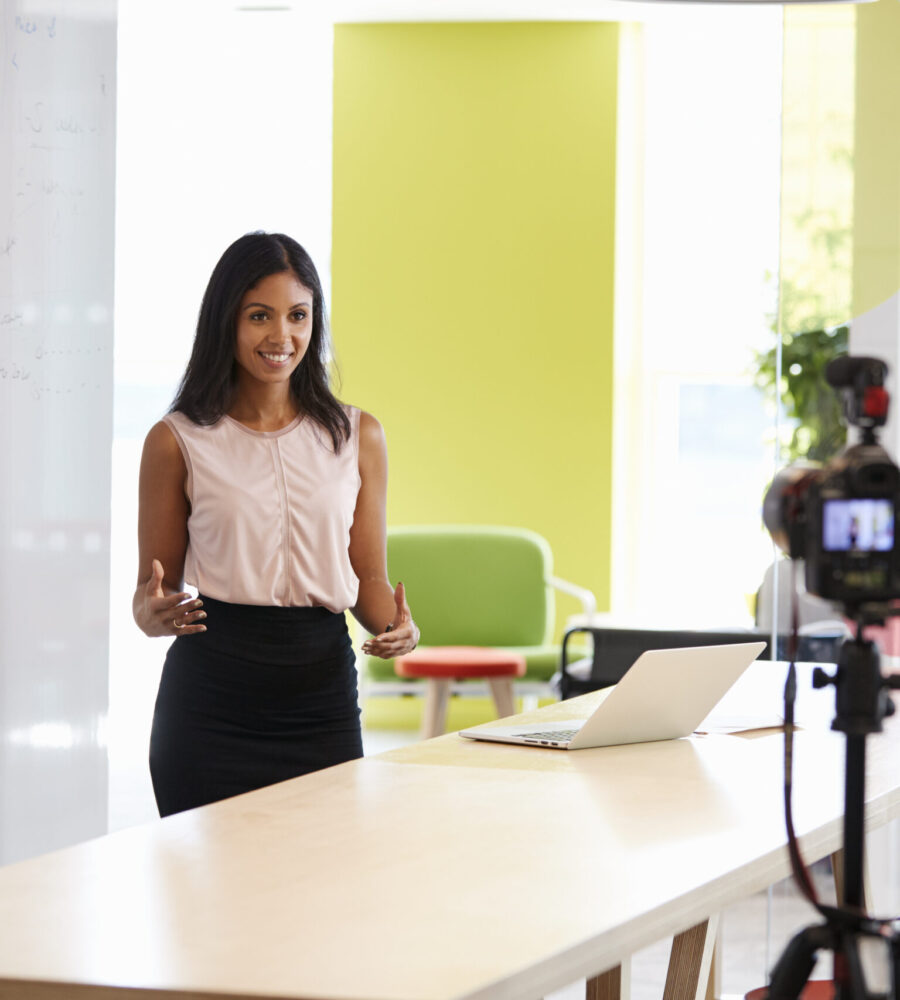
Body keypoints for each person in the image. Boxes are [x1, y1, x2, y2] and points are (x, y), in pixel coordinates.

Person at [132, 232, 419, 817]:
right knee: (212, 902)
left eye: (298, 315)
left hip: (321, 699)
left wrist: (402, 630)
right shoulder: (175, 440)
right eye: (259, 316)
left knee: (323, 892)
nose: (280, 336)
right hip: (209, 701)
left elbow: (367, 580)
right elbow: (150, 595)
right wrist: (153, 613)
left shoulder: (357, 435)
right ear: (227, 322)